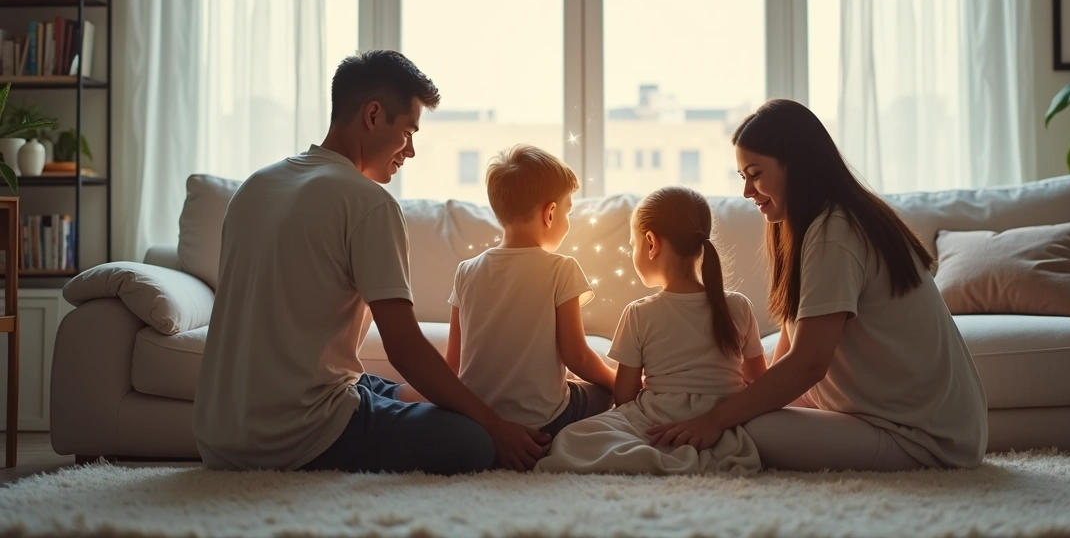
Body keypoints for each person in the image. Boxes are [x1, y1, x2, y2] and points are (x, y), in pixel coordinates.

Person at [193, 50, 549, 474]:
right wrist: (494, 426)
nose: (411, 151)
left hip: (218, 436)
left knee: (383, 389)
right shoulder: (368, 203)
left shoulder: (255, 186)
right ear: (374, 115)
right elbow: (403, 346)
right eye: (408, 132)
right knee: (472, 441)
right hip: (294, 438)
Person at [648, 99, 988, 472]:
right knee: (745, 413)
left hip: (920, 437)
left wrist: (714, 419)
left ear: (796, 165)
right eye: (743, 176)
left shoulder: (835, 232)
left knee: (748, 427)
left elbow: (809, 363)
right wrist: (742, 399)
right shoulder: (820, 224)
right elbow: (795, 340)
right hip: (906, 422)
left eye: (755, 174)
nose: (747, 191)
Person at [536, 186, 768, 475]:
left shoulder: (639, 312)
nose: (633, 253)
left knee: (572, 438)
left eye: (632, 245)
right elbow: (760, 381)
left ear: (650, 243)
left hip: (656, 418)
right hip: (721, 423)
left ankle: (650, 456)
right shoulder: (739, 305)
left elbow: (624, 397)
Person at [447, 145, 616, 439]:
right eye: (567, 211)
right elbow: (577, 357)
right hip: (544, 422)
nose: (567, 223)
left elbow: (453, 363)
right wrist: (621, 382)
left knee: (572, 382)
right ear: (550, 213)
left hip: (479, 421)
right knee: (602, 390)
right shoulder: (561, 269)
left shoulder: (466, 271)